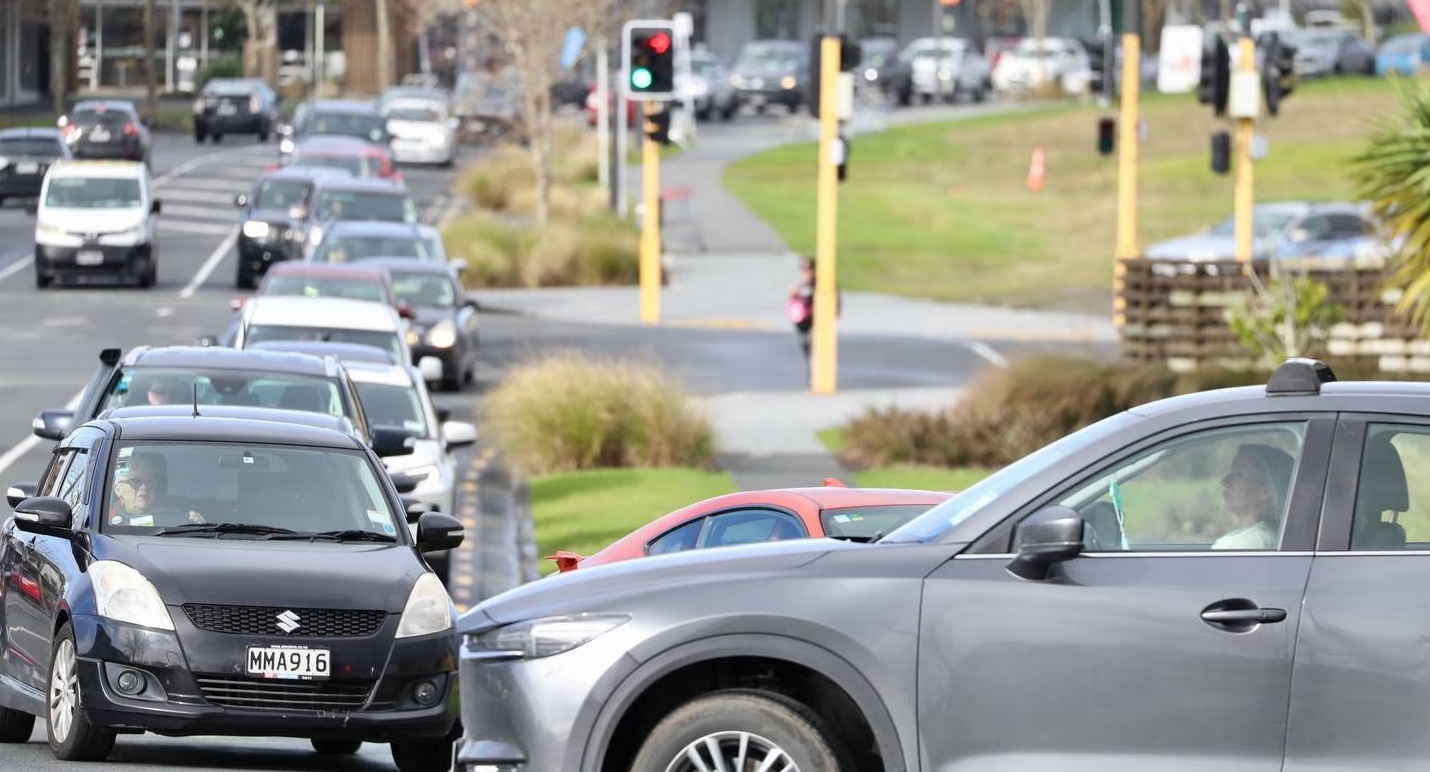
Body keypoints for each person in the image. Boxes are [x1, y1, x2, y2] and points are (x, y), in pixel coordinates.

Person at [1212, 443, 1295, 550]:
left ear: (1265, 491)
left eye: (1238, 474)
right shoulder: (1273, 536)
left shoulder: (1246, 543)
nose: (1224, 481)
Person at [109, 452, 205, 527]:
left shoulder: (179, 514)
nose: (144, 486)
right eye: (135, 482)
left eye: (150, 481)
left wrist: (197, 525)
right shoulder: (106, 520)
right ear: (118, 490)